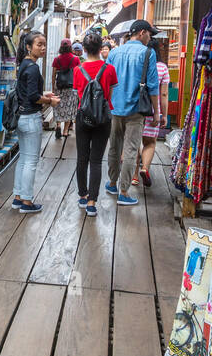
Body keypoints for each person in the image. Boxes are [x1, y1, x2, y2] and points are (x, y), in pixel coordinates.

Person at [103, 19, 160, 206]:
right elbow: (153, 87)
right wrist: (157, 113)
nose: (150, 37)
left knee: (114, 147)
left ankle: (112, 183)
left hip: (114, 107)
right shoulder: (148, 53)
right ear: (142, 33)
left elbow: (107, 81)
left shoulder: (114, 53)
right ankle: (124, 192)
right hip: (136, 109)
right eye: (149, 33)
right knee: (130, 149)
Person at [71, 33, 117, 218]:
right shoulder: (110, 69)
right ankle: (92, 203)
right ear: (101, 48)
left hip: (83, 118)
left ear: (84, 48)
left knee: (82, 158)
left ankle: (83, 195)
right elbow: (109, 97)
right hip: (103, 119)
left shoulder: (78, 69)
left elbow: (78, 97)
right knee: (96, 160)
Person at [11, 31, 57, 213]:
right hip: (30, 119)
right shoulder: (33, 67)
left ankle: (17, 197)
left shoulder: (24, 64)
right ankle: (27, 202)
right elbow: (32, 97)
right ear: (29, 47)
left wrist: (44, 95)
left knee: (23, 159)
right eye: (39, 44)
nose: (43, 48)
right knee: (30, 161)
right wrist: (49, 101)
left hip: (22, 117)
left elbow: (26, 93)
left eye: (44, 44)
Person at [134, 34, 171, 188]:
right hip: (153, 110)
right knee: (150, 142)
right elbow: (163, 94)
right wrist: (163, 115)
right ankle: (145, 168)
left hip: (136, 108)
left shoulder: (138, 63)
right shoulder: (162, 68)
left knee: (135, 142)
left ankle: (134, 176)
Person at [50, 40, 80, 139]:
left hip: (60, 86)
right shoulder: (75, 59)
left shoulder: (56, 59)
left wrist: (53, 88)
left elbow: (54, 74)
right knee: (69, 107)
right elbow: (78, 73)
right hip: (71, 87)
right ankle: (65, 131)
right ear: (70, 47)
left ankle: (58, 125)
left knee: (58, 106)